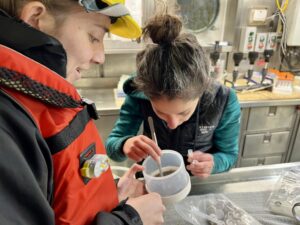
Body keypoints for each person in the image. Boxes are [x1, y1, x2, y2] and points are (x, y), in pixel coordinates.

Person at [0, 1, 165, 225]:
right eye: (94, 37)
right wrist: (130, 219)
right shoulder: (7, 128)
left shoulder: (34, 99)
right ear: (35, 18)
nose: (100, 57)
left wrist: (109, 197)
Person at [106, 14, 241, 179]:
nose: (172, 124)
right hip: (154, 178)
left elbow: (229, 155)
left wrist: (214, 163)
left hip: (196, 183)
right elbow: (112, 147)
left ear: (202, 91)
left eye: (183, 113)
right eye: (161, 113)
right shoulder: (139, 93)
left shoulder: (223, 100)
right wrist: (124, 144)